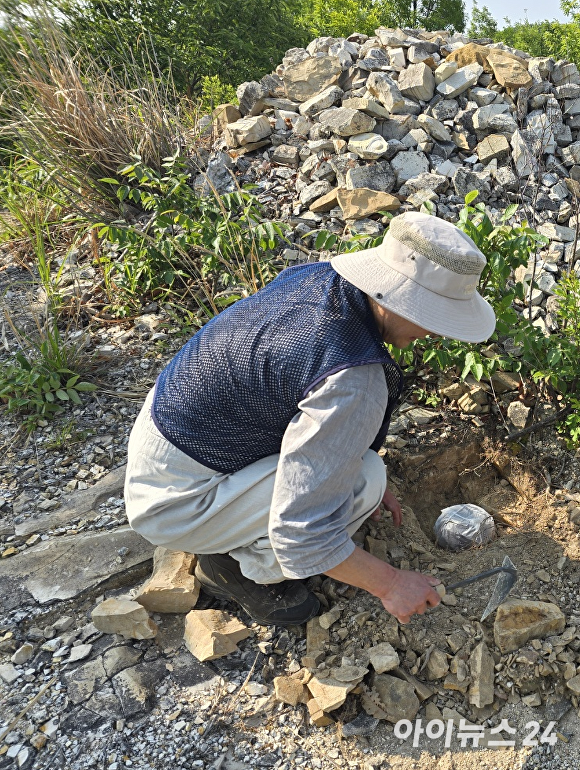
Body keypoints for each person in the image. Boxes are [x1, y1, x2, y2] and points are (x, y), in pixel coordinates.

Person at [124, 211, 496, 627]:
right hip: (174, 500)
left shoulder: (319, 279)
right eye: (435, 317)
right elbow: (303, 533)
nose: (438, 333)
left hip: (165, 439)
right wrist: (391, 584)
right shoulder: (354, 380)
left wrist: (339, 465)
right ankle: (231, 568)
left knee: (356, 470)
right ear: (397, 299)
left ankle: (231, 528)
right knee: (364, 480)